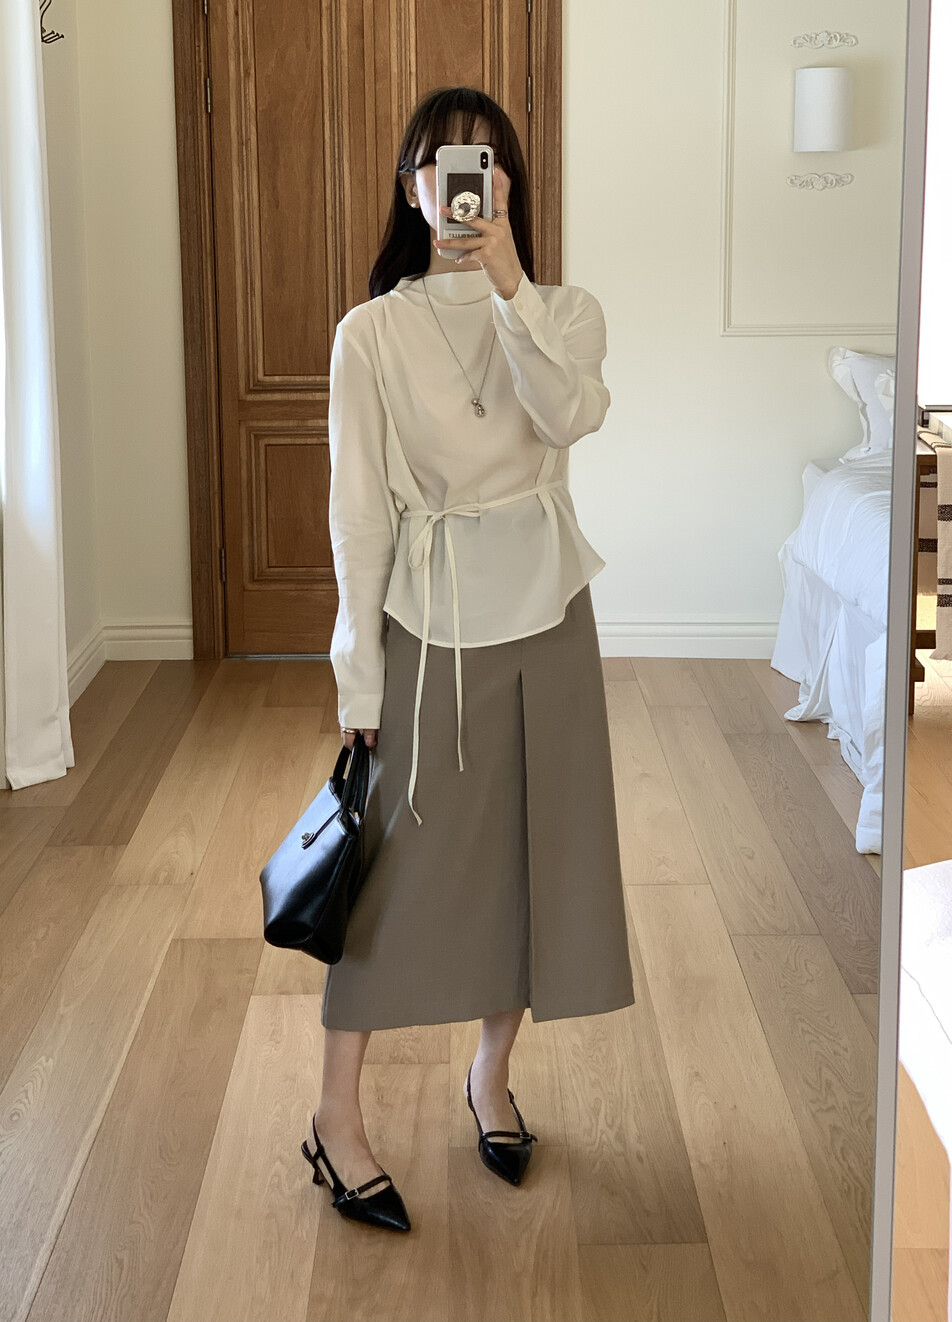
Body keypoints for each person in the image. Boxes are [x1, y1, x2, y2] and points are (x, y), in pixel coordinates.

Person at [300, 86, 635, 1232]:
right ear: (411, 189)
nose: (462, 186)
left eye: (485, 168)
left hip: (548, 615)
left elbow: (566, 417)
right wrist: (358, 671)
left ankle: (490, 1075)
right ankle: (334, 1115)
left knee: (530, 860)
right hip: (425, 623)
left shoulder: (565, 313)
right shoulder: (369, 333)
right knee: (386, 875)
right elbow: (357, 514)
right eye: (441, 167)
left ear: (507, 189)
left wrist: (507, 288)